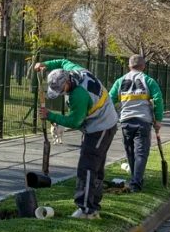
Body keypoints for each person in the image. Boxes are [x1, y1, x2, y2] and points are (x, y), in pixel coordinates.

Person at [34, 59, 118, 219]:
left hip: (100, 127)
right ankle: (93, 207)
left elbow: (74, 121)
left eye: (61, 90)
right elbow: (63, 61)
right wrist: (46, 64)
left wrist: (50, 115)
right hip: (106, 122)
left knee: (87, 166)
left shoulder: (78, 95)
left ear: (67, 82)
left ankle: (86, 209)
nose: (61, 93)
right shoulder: (74, 71)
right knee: (96, 167)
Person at [109, 54, 164, 192]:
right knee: (141, 153)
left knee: (130, 151)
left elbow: (110, 99)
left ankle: (136, 178)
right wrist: (158, 120)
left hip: (126, 121)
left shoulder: (120, 81)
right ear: (143, 66)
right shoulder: (148, 80)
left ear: (129, 66)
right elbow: (158, 99)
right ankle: (136, 183)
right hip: (143, 121)